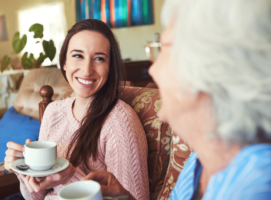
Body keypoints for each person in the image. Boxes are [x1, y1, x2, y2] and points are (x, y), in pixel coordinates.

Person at [82, 0, 271, 199]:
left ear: (208, 67)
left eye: (162, 49)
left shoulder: (257, 187)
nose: (153, 70)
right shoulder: (199, 161)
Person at [4, 19, 149, 200]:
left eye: (99, 58)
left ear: (110, 69)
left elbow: (133, 198)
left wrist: (70, 175)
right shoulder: (53, 112)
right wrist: (24, 170)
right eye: (78, 56)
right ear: (64, 63)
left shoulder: (120, 122)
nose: (87, 70)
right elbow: (36, 196)